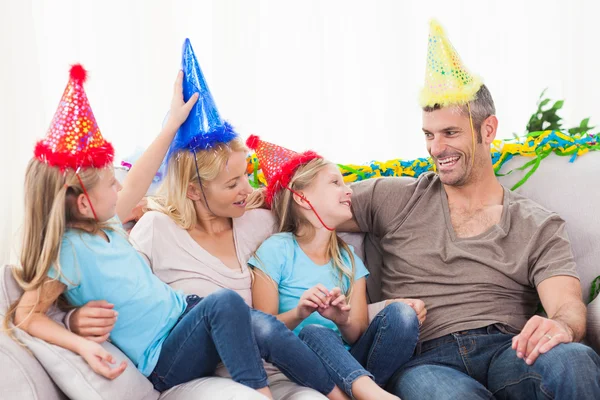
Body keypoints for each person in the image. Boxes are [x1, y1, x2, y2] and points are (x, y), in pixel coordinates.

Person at [67, 39, 348, 400]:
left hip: (257, 358)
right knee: (226, 306)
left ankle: (338, 395)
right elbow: (98, 285)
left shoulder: (259, 221)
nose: (246, 189)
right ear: (195, 191)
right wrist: (74, 320)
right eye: (232, 183)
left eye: (247, 175)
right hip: (188, 366)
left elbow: (317, 211)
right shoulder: (150, 230)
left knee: (263, 333)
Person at [342, 20, 600, 399]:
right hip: (427, 360)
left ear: (488, 129)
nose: (436, 149)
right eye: (429, 135)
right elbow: (313, 203)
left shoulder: (537, 223)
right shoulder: (395, 197)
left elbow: (566, 305)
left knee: (573, 360)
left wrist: (560, 326)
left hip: (509, 349)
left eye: (450, 133)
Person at [5, 63, 278, 398]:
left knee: (256, 325)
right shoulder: (69, 252)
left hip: (183, 323)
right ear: (84, 204)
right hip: (166, 359)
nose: (120, 189)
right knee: (226, 306)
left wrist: (173, 123)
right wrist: (78, 340)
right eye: (110, 183)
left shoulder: (106, 225)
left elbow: (139, 178)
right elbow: (27, 315)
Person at [247, 136, 424, 400]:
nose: (349, 190)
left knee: (402, 315)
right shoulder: (277, 250)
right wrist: (299, 312)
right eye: (335, 183)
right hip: (301, 366)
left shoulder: (349, 259)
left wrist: (341, 320)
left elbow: (358, 336)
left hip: (349, 366)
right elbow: (263, 330)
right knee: (313, 331)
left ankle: (366, 392)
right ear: (303, 198)